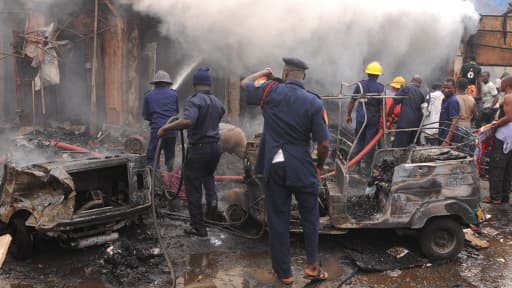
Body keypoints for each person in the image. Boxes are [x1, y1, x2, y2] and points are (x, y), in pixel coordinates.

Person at [241, 57, 330, 285]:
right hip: (302, 165)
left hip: (274, 164)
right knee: (310, 217)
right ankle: (312, 266)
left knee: (278, 219)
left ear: (285, 73)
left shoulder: (270, 90)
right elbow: (324, 144)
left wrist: (263, 72)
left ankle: (285, 274)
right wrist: (319, 166)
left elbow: (244, 85)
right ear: (304, 76)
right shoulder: (314, 102)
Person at [158, 67, 225, 237]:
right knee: (208, 177)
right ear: (209, 84)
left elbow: (188, 121)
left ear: (194, 84)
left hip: (199, 148)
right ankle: (212, 212)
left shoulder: (194, 100)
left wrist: (166, 127)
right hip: (215, 148)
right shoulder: (217, 102)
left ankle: (198, 228)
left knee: (193, 186)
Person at [345, 61, 385, 173]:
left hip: (361, 118)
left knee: (359, 141)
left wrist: (348, 115)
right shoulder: (381, 88)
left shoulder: (360, 85)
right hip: (373, 119)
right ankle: (366, 169)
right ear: (378, 75)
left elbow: (352, 101)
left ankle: (355, 166)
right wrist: (383, 120)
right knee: (370, 144)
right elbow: (382, 107)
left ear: (367, 73)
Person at [483, 76, 512, 204]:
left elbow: (509, 116)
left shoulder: (508, 97)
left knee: (497, 167)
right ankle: (504, 196)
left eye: (502, 82)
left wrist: (495, 124)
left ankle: (495, 197)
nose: (500, 84)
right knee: (507, 168)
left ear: (506, 84)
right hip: (509, 137)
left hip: (504, 136)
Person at [143, 70, 179, 171]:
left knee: (152, 157)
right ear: (168, 83)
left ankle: (155, 180)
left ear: (155, 83)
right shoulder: (174, 95)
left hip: (157, 131)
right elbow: (176, 113)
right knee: (170, 157)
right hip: (172, 131)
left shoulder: (148, 95)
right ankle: (170, 178)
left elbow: (146, 116)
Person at [388, 75, 425, 148]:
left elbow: (394, 103)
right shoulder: (421, 93)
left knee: (398, 147)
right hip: (416, 126)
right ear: (420, 84)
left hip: (404, 124)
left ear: (411, 81)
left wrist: (389, 115)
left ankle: (397, 159)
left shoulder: (406, 88)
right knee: (410, 148)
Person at [455, 78, 476, 153]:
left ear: (456, 86)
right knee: (465, 151)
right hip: (468, 126)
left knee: (455, 150)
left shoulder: (454, 99)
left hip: (457, 127)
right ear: (467, 87)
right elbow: (475, 115)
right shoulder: (471, 99)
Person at [439, 79, 460, 146]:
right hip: (442, 134)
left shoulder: (453, 101)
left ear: (454, 88)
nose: (445, 90)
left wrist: (447, 140)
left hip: (448, 137)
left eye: (448, 88)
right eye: (444, 87)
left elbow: (455, 121)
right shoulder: (445, 99)